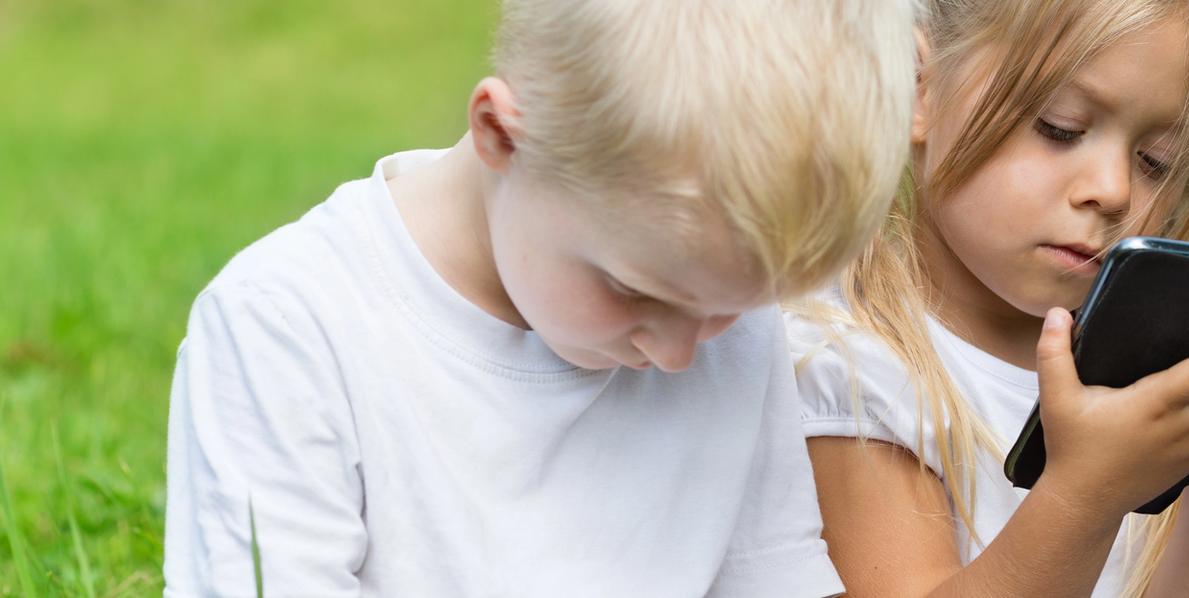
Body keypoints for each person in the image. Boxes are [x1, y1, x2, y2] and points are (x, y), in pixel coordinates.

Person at [162, 0, 913, 594]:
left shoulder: (724, 317)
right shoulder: (289, 329)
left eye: (734, 308)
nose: (681, 352)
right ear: (502, 134)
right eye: (631, 290)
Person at [786, 1, 1189, 596]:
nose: (1112, 190)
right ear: (918, 85)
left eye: (1158, 162)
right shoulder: (852, 367)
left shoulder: (1144, 376)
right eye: (1061, 128)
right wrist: (1086, 492)